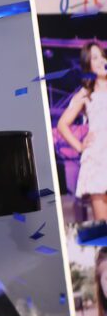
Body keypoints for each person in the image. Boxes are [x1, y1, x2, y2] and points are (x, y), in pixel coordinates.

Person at [59, 41, 107, 220]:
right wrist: (80, 146)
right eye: (95, 58)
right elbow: (62, 124)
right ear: (88, 65)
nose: (102, 60)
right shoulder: (86, 94)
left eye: (103, 55)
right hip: (97, 160)